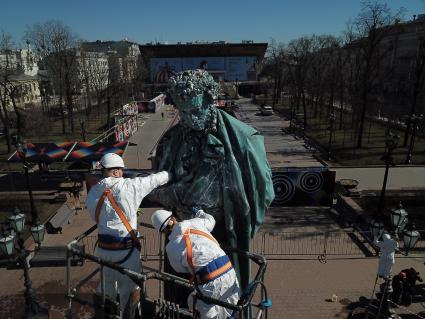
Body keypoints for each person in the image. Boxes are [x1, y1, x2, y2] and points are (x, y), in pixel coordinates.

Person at [147, 69, 275, 290]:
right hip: (182, 234)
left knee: (223, 294)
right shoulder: (170, 141)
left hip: (224, 234)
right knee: (182, 294)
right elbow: (157, 186)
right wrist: (175, 194)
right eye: (183, 112)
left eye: (196, 110)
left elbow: (264, 190)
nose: (190, 118)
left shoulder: (243, 140)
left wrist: (242, 222)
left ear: (210, 100)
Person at [87, 153, 170, 318]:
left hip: (103, 252)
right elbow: (158, 179)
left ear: (104, 170)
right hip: (126, 253)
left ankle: (106, 314)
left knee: (107, 288)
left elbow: (93, 216)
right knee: (129, 291)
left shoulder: (93, 192)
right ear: (118, 171)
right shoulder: (131, 186)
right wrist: (169, 173)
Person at [151, 208, 241, 319]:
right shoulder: (195, 222)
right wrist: (199, 212)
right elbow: (211, 220)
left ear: (162, 231)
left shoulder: (171, 248)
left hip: (208, 281)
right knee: (231, 309)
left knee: (199, 307)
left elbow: (179, 269)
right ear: (173, 218)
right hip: (229, 271)